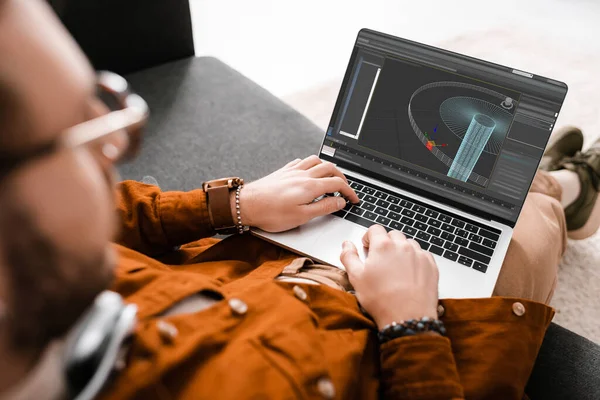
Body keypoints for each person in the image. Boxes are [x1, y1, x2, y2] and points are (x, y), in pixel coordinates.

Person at [0, 1, 598, 399]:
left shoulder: (40, 280)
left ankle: (548, 176)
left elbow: (119, 216)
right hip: (409, 338)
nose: (116, 161)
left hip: (255, 269)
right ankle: (568, 189)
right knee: (516, 221)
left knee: (469, 192)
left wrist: (235, 207)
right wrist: (409, 323)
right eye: (91, 135)